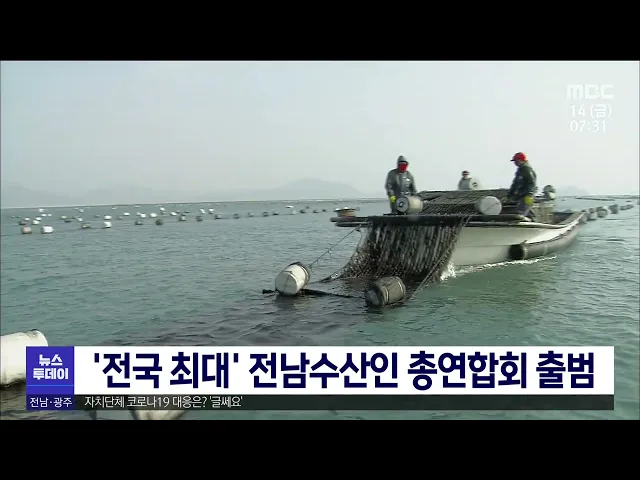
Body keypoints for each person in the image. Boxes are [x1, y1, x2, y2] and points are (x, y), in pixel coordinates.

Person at [507, 152, 537, 219]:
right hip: (522, 196)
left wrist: (528, 194)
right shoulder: (520, 170)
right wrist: (509, 195)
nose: (515, 163)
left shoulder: (526, 169)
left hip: (528, 196)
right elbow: (515, 184)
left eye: (516, 161)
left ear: (520, 160)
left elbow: (531, 183)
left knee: (521, 212)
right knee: (527, 212)